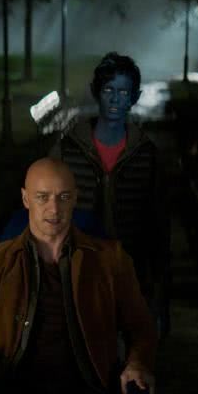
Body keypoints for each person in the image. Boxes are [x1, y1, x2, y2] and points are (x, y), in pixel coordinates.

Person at [0, 158, 157, 394]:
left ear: (75, 198)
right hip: (11, 388)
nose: (54, 209)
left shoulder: (111, 259)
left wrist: (138, 363)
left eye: (63, 197)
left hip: (88, 389)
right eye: (42, 197)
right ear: (25, 199)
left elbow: (140, 327)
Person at [48, 52, 171, 339]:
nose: (115, 99)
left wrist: (160, 299)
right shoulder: (67, 150)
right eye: (108, 90)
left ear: (134, 98)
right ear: (97, 92)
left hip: (130, 277)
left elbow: (159, 230)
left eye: (123, 92)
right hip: (77, 279)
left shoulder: (147, 156)